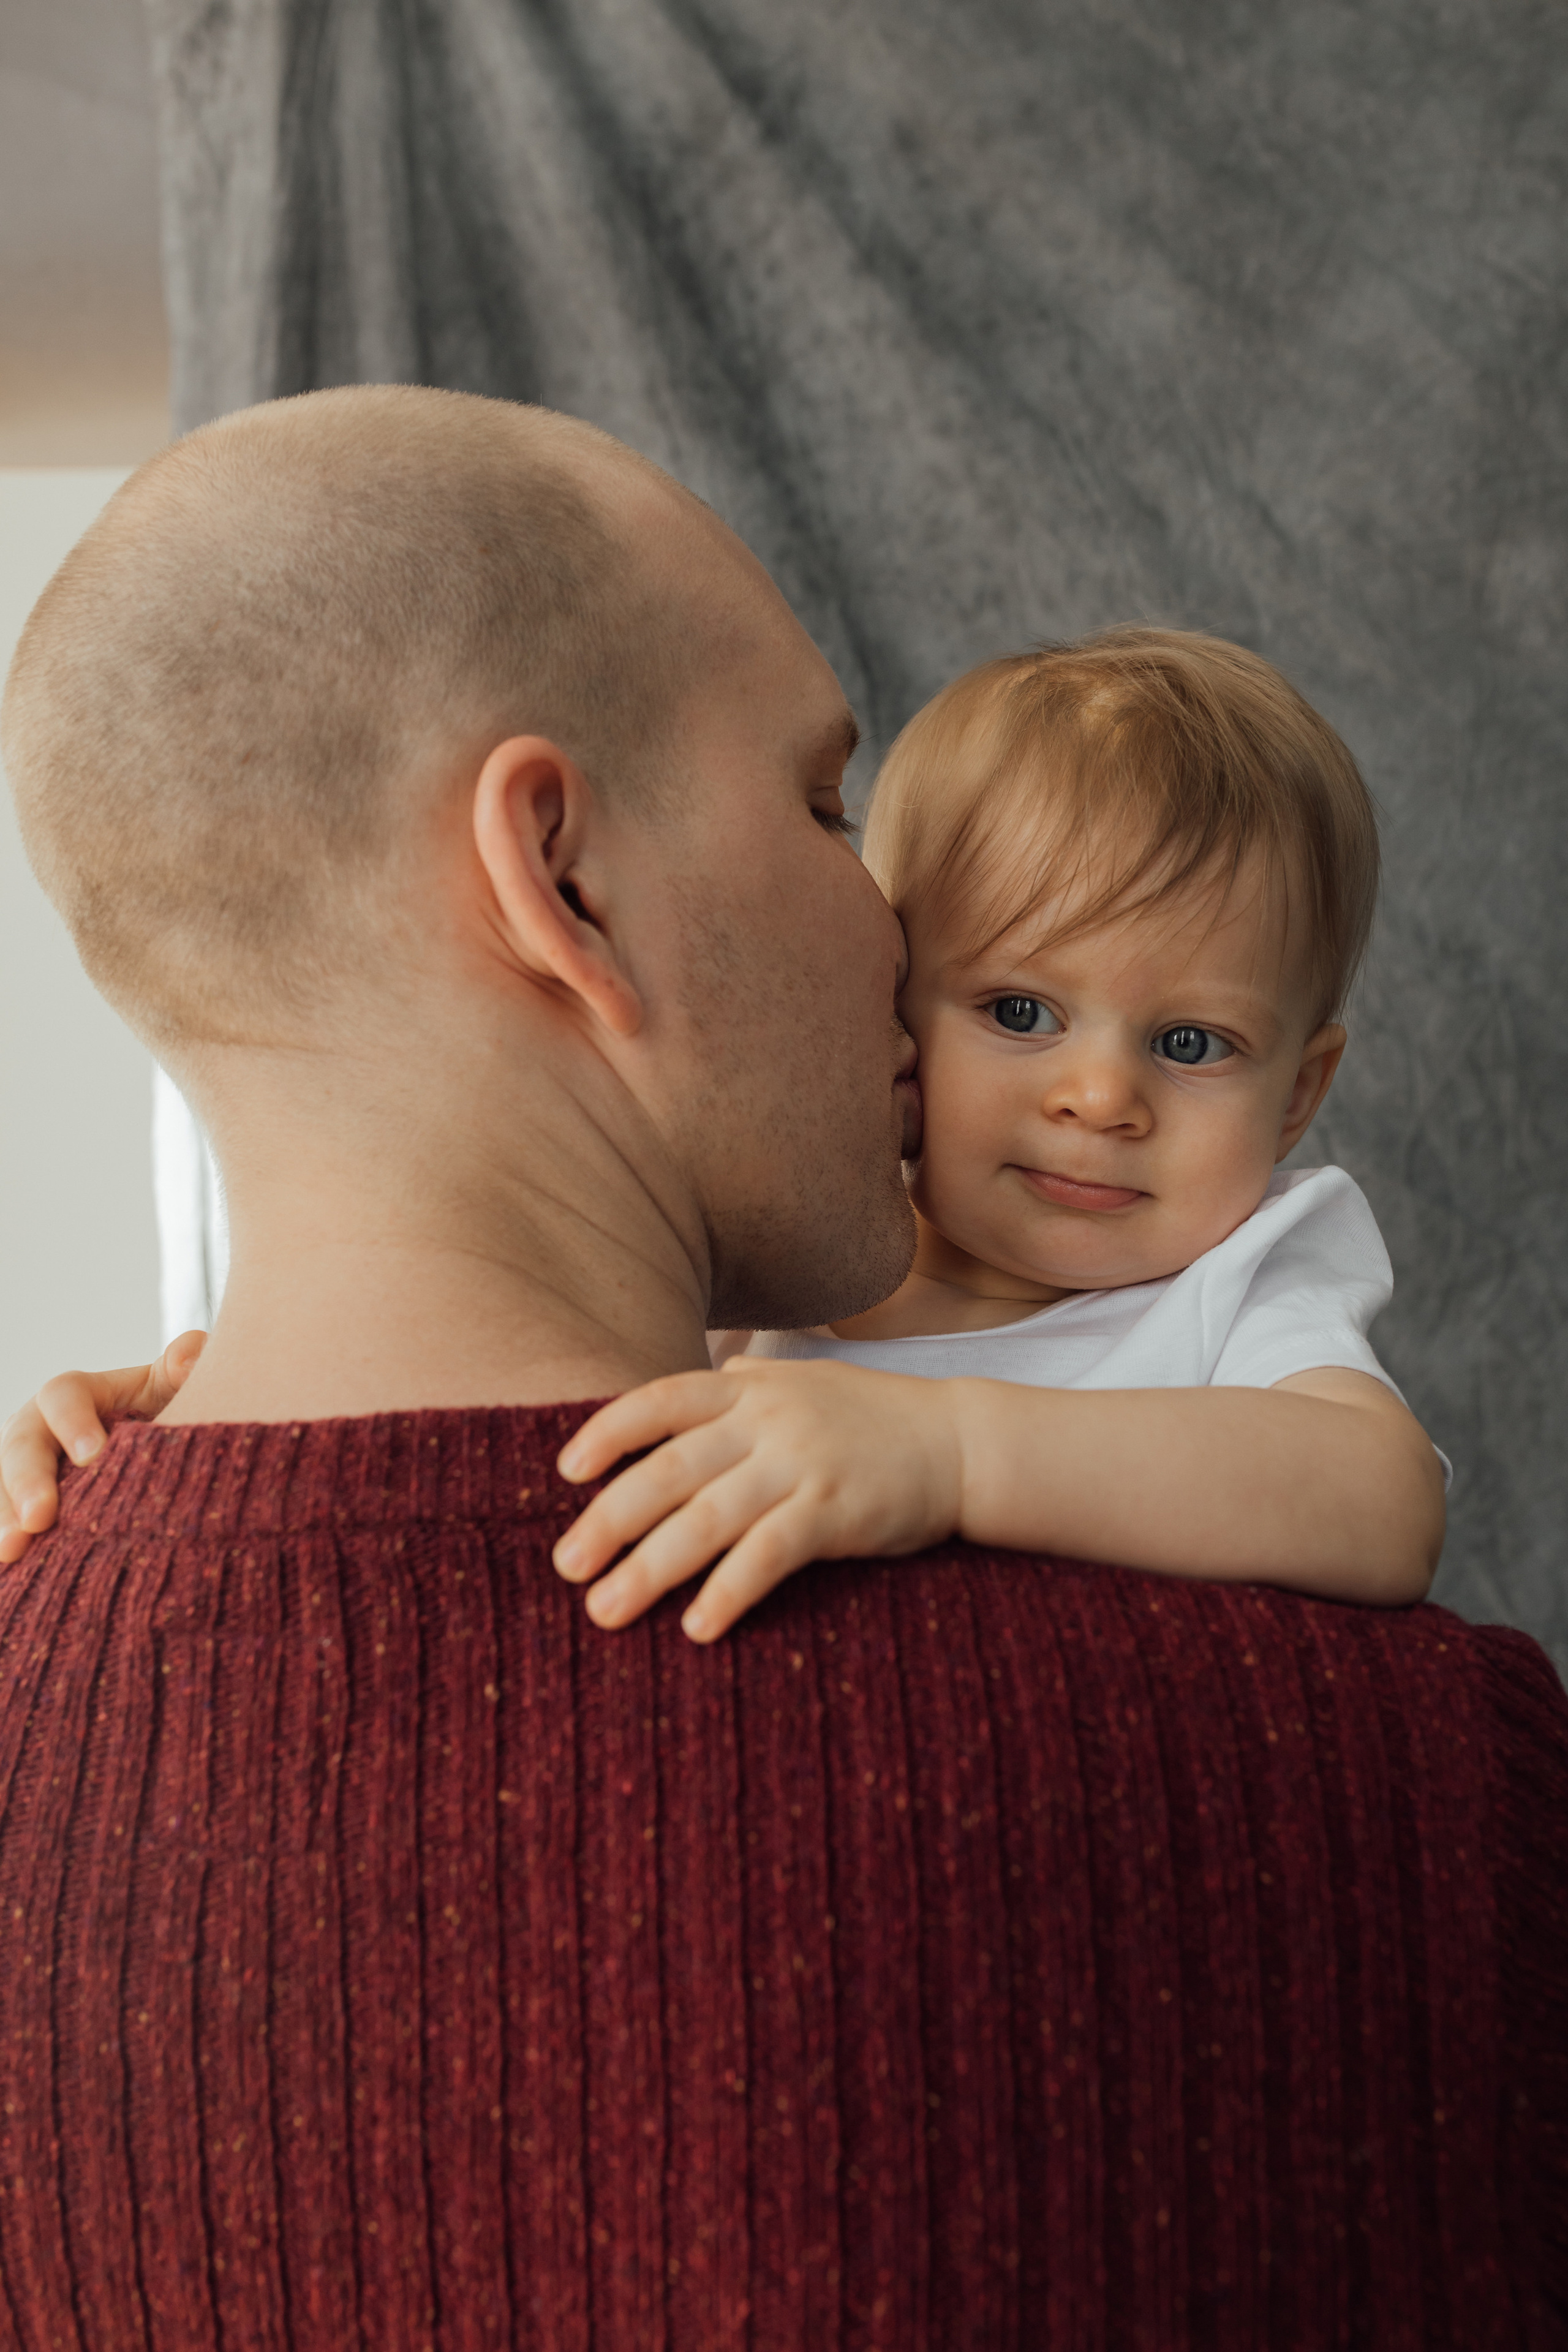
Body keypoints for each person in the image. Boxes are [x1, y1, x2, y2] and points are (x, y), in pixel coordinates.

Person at [1, 385, 1566, 2348]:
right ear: (561, 877)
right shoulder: (1409, 1808)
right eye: (830, 806)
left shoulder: (47, 1653)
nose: (888, 929)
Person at [541, 631, 1450, 1642]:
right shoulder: (792, 1263)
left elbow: (1384, 1501)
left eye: (1192, 1043)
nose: (1102, 1099)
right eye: (1022, 1013)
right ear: (893, 1011)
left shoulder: (1240, 1284)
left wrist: (955, 1454)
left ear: (1296, 1097)